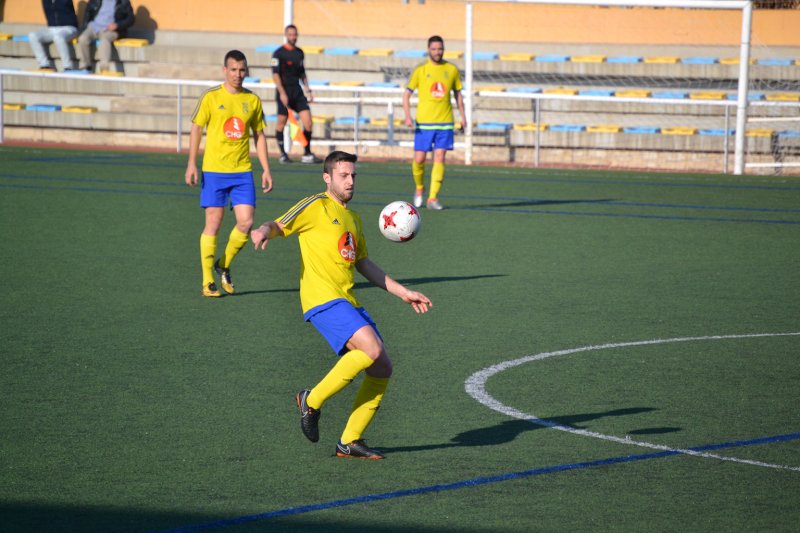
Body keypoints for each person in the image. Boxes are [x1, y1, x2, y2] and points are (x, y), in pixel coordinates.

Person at [250, 151, 432, 459]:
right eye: (343, 175)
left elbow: (363, 263)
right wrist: (262, 231)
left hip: (347, 300)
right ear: (327, 177)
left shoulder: (354, 218)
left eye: (353, 176)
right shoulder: (315, 205)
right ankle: (312, 399)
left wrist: (402, 292)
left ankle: (350, 440)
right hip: (322, 298)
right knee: (371, 349)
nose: (350, 181)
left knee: (382, 366)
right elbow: (279, 224)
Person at [185, 50, 273, 298]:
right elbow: (196, 129)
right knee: (213, 223)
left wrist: (266, 169)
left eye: (242, 70)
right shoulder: (211, 97)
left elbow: (259, 135)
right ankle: (207, 281)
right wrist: (192, 163)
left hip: (242, 171)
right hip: (214, 171)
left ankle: (223, 264)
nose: (238, 74)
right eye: (233, 69)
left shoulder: (252, 101)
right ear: (225, 70)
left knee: (246, 222)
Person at [402, 35, 466, 211]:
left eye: (440, 49)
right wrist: (408, 116)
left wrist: (463, 116)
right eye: (434, 49)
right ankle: (419, 187)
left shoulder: (452, 70)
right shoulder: (420, 70)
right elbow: (406, 94)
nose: (437, 52)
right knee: (419, 158)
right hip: (424, 123)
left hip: (445, 123)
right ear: (428, 50)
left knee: (440, 157)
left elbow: (458, 95)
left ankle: (432, 198)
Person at [271, 24, 323, 164]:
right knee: (281, 123)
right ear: (286, 35)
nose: (293, 37)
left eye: (295, 34)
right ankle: (282, 154)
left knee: (308, 122)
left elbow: (302, 72)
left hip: (297, 91)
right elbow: (275, 75)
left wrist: (308, 90)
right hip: (284, 91)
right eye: (290, 34)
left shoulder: (299, 52)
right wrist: (282, 93)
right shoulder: (278, 53)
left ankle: (306, 153)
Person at [77, 0, 135, 73]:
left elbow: (131, 19)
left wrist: (117, 25)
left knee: (104, 40)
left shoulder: (123, 2)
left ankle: (104, 69)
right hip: (93, 27)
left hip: (111, 30)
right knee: (82, 39)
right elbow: (88, 12)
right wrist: (86, 25)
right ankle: (85, 67)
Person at [28, 0, 79, 71]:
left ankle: (68, 67)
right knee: (33, 36)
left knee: (58, 37)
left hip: (69, 27)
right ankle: (44, 65)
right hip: (52, 28)